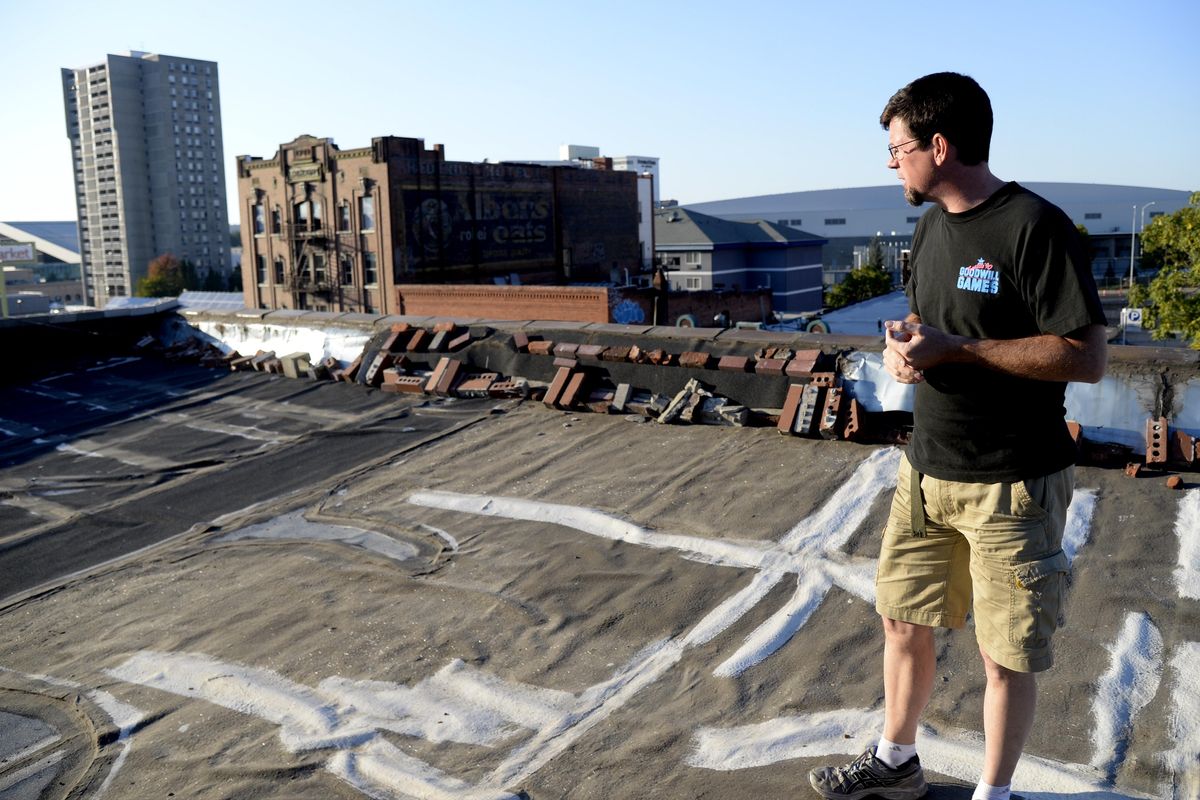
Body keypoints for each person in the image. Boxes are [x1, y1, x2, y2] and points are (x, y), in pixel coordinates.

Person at [808, 72, 1107, 800]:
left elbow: (1085, 355)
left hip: (1012, 482)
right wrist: (904, 350)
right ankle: (896, 760)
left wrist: (958, 352)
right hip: (926, 470)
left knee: (1004, 655)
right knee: (901, 620)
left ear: (939, 146)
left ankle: (993, 794)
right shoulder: (931, 225)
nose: (891, 162)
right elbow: (932, 329)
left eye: (898, 147)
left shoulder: (1035, 226)